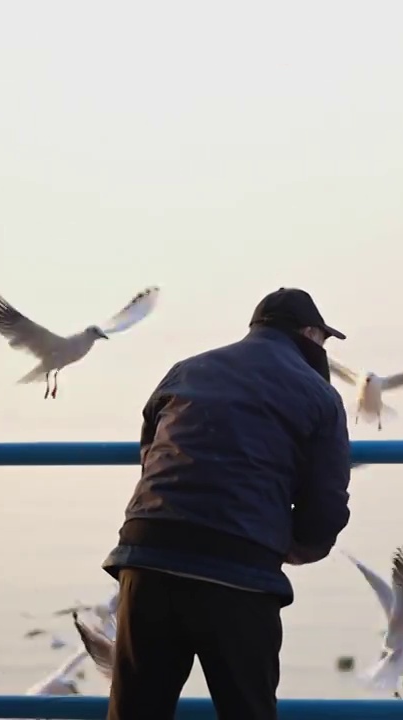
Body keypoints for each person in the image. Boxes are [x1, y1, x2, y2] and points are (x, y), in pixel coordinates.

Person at [102, 287, 353, 720]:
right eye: (324, 340)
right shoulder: (319, 395)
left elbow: (151, 449)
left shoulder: (187, 370)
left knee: (135, 711)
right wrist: (301, 545)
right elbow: (327, 499)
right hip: (239, 567)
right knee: (248, 711)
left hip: (147, 553)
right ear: (310, 334)